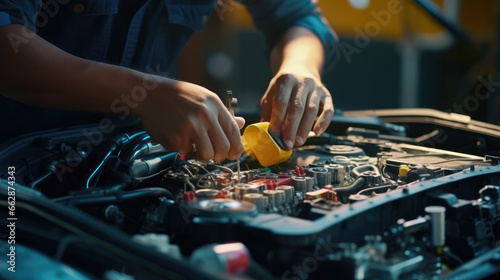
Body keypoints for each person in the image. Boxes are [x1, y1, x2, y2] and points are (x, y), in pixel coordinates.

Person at [0, 0, 336, 162]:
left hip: (125, 162)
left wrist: (300, 67)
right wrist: (143, 96)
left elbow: (298, 19)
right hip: (14, 174)